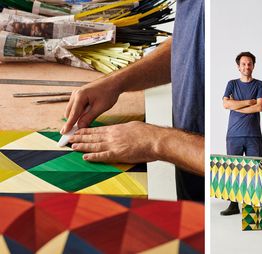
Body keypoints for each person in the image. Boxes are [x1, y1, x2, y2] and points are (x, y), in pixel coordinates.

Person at [60, 0, 205, 202]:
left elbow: (255, 168)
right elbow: (190, 41)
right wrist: (118, 82)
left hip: (231, 210)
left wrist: (156, 141)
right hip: (193, 191)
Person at [220, 52, 262, 215]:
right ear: (238, 66)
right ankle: (233, 205)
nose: (246, 66)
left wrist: (237, 106)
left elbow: (259, 107)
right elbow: (226, 105)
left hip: (253, 135)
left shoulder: (260, 85)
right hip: (234, 134)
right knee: (233, 171)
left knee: (255, 170)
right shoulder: (231, 84)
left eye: (249, 64)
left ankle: (253, 205)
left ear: (253, 65)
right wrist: (249, 102)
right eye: (243, 64)